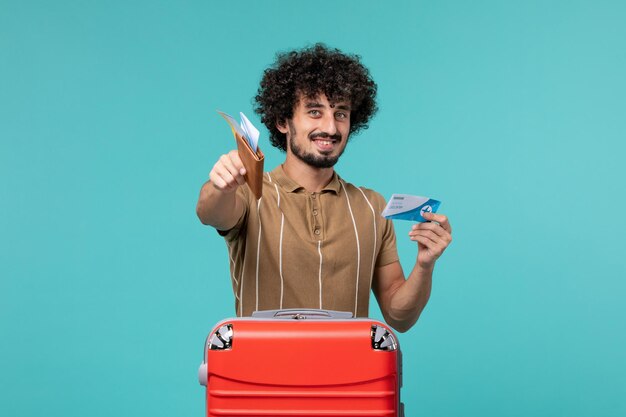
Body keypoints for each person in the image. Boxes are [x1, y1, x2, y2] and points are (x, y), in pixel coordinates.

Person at [196, 44, 452, 332]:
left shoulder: (372, 206)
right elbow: (209, 212)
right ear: (283, 121)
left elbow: (398, 316)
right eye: (315, 112)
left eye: (340, 113)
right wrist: (221, 185)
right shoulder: (249, 191)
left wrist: (425, 264)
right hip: (263, 373)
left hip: (349, 375)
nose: (330, 127)